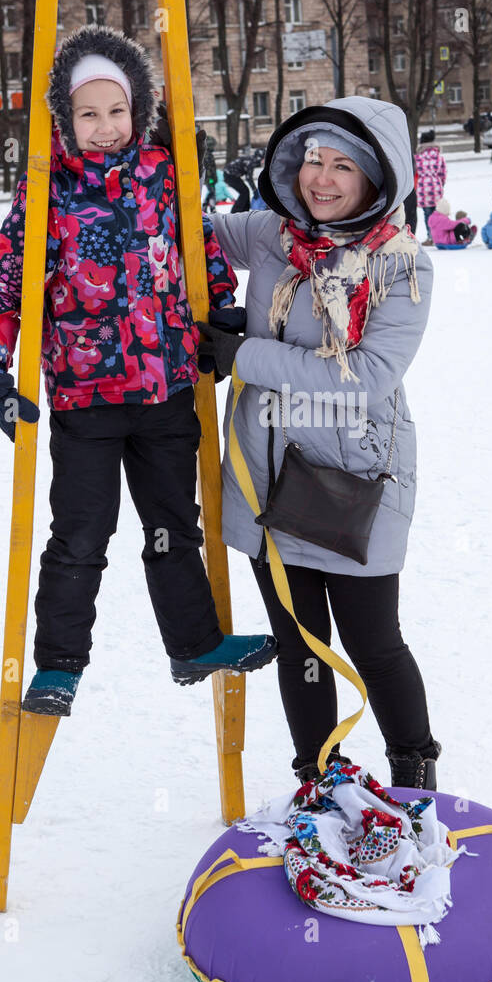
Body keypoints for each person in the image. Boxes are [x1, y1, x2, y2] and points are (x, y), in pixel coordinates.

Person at [0, 25, 277, 716]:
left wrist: (221, 312)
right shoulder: (47, 192)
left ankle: (192, 643)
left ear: (137, 111)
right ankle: (58, 666)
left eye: (116, 112)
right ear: (65, 120)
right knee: (81, 535)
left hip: (166, 393)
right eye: (87, 114)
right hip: (86, 401)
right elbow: (4, 280)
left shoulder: (166, 176)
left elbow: (199, 253)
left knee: (174, 527)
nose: (104, 128)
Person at [196, 98, 442, 789]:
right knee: (299, 646)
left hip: (353, 481)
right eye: (313, 161)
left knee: (373, 642)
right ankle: (319, 776)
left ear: (376, 178)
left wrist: (244, 354)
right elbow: (195, 232)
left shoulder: (401, 268)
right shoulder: (276, 233)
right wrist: (150, 164)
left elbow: (363, 376)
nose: (322, 179)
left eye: (343, 166)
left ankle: (413, 770)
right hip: (266, 480)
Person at [414, 128, 448, 243]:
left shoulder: (418, 157)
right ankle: (440, 235)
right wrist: (440, 184)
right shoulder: (438, 156)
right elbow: (443, 173)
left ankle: (430, 236)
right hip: (436, 186)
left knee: (427, 214)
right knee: (438, 213)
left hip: (423, 188)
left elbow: (415, 173)